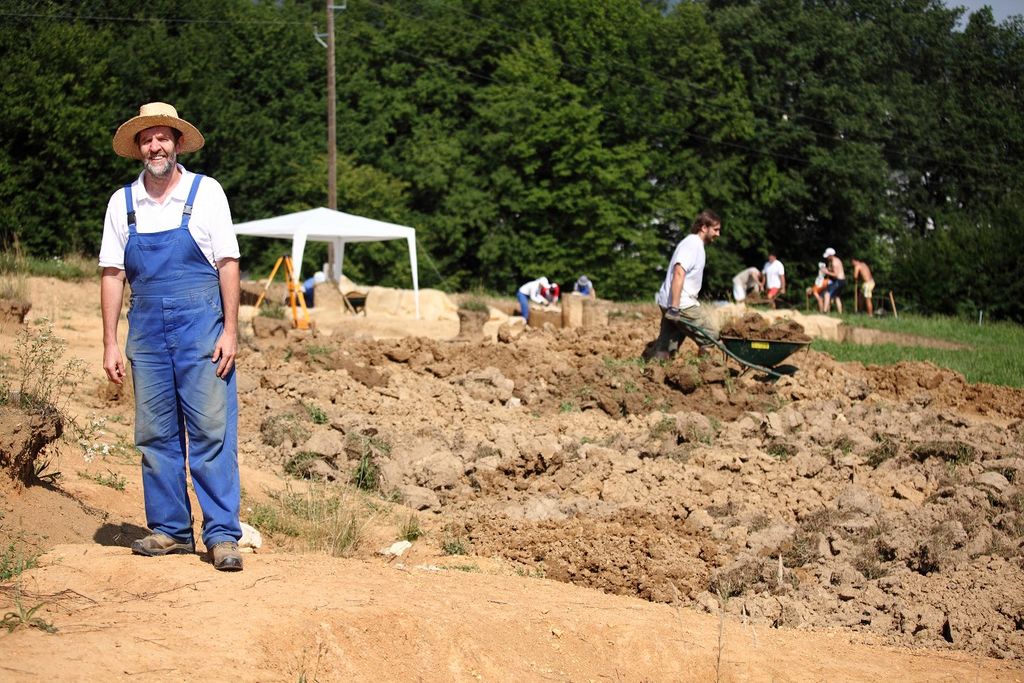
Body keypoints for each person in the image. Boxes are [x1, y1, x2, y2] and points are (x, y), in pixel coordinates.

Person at [99, 102, 243, 572]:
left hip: (202, 326)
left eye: (163, 137)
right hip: (145, 332)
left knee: (210, 431)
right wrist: (109, 342)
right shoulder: (123, 203)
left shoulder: (207, 193)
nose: (155, 146)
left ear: (178, 144)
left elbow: (228, 264)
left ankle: (222, 536)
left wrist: (231, 332)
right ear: (138, 147)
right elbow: (113, 274)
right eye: (147, 139)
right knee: (156, 433)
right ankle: (171, 530)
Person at [649, 210, 722, 360]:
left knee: (667, 344)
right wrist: (675, 308)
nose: (718, 234)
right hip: (681, 304)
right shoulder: (692, 244)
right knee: (711, 336)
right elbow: (679, 273)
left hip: (669, 301)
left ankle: (656, 372)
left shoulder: (693, 244)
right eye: (715, 230)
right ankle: (705, 372)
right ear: (703, 227)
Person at [822, 247, 846, 314]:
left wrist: (826, 272)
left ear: (831, 255)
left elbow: (836, 274)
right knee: (837, 297)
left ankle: (824, 311)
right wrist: (828, 269)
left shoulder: (834, 262)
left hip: (838, 281)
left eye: (827, 256)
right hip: (842, 281)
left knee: (827, 294)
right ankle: (840, 313)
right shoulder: (837, 260)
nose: (826, 258)